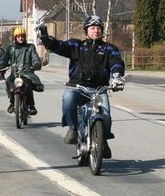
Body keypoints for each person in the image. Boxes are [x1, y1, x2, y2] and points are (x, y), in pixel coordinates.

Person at [38, 15, 124, 158]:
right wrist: (46, 38)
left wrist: (117, 77)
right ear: (86, 31)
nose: (96, 30)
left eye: (98, 28)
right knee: (67, 98)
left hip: (99, 89)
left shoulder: (109, 48)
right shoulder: (76, 45)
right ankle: (73, 129)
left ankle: (103, 140)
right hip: (77, 87)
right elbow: (59, 46)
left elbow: (117, 63)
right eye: (92, 28)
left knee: (106, 116)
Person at [0, 27, 43, 115]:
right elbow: (4, 58)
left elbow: (35, 58)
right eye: (18, 36)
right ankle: (12, 102)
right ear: (15, 38)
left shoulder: (30, 47)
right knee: (9, 82)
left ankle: (32, 106)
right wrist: (2, 64)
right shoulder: (10, 48)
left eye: (22, 36)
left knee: (28, 85)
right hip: (14, 73)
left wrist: (36, 64)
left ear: (25, 37)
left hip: (27, 73)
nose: (20, 38)